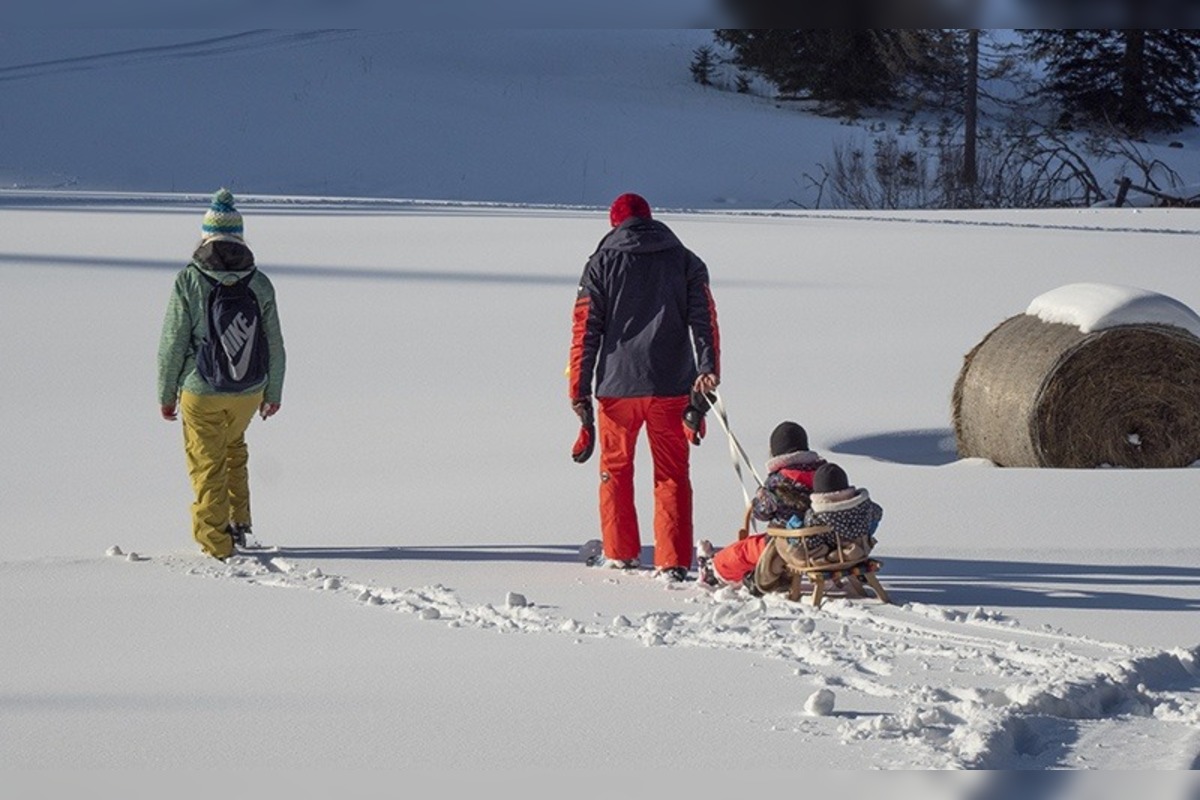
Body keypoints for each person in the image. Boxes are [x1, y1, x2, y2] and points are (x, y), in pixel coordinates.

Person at [568, 192, 721, 581]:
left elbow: (585, 330)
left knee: (615, 470)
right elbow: (705, 321)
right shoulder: (686, 259)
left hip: (617, 388)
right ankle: (672, 560)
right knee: (672, 474)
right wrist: (707, 370)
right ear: (650, 219)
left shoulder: (601, 262)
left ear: (614, 223)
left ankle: (619, 552)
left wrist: (579, 392)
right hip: (671, 385)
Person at [157, 188, 286, 561]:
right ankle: (239, 524)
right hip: (249, 389)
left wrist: (167, 394)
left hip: (202, 390)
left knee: (206, 462)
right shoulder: (259, 283)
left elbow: (172, 343)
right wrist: (272, 391)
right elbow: (274, 343)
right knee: (233, 450)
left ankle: (216, 544)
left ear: (205, 237)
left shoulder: (189, 280)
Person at [697, 421, 826, 589]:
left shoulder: (778, 479)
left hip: (783, 543)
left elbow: (762, 513)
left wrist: (760, 497)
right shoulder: (823, 473)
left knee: (743, 551)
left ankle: (714, 570)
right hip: (822, 541)